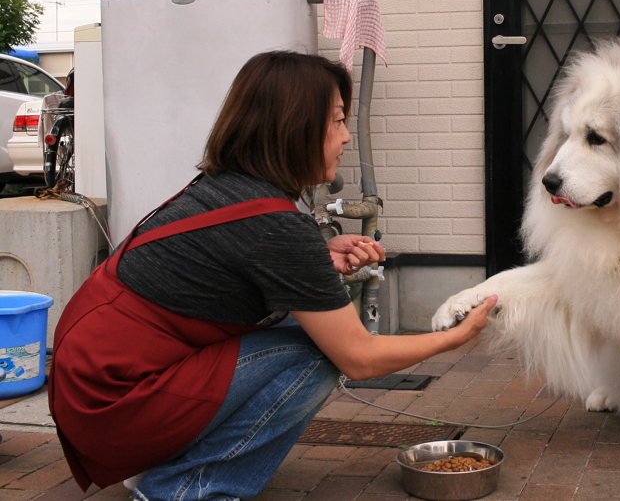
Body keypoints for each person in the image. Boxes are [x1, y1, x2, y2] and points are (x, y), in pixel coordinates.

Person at [49, 51, 496, 501]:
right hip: (112, 401)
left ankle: (165, 460)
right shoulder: (274, 225)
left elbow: (229, 268)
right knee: (320, 355)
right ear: (294, 127)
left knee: (302, 331)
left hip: (90, 382)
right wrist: (454, 339)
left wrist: (316, 257)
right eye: (337, 121)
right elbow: (361, 359)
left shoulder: (226, 187)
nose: (345, 138)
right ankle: (185, 487)